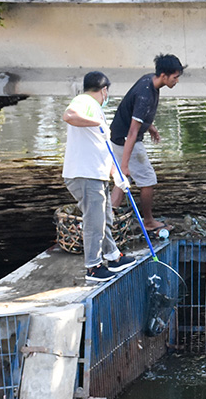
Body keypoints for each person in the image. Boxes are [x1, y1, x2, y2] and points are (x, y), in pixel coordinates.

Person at [61, 71, 139, 283]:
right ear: (104, 90)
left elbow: (102, 149)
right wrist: (96, 122)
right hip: (84, 174)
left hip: (95, 173)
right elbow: (68, 116)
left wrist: (117, 175)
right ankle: (93, 267)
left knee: (104, 217)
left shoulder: (94, 110)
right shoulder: (84, 100)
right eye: (107, 92)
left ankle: (113, 256)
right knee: (94, 221)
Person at [110, 54, 185, 232]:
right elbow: (132, 131)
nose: (177, 81)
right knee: (147, 180)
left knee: (122, 181)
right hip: (126, 140)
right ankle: (149, 221)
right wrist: (125, 164)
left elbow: (133, 110)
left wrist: (150, 127)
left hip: (118, 137)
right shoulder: (145, 94)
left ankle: (108, 219)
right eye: (175, 77)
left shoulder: (148, 81)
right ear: (164, 76)